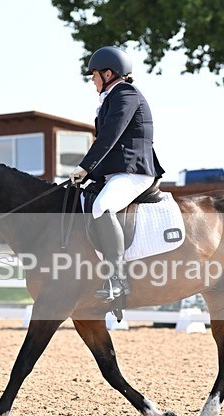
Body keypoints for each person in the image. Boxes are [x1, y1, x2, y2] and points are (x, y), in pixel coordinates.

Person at [69, 46, 165, 303]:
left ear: (108, 73)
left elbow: (110, 136)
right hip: (115, 172)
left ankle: (117, 278)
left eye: (95, 74)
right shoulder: (111, 97)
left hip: (134, 171)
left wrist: (85, 167)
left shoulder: (126, 94)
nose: (92, 79)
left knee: (102, 206)